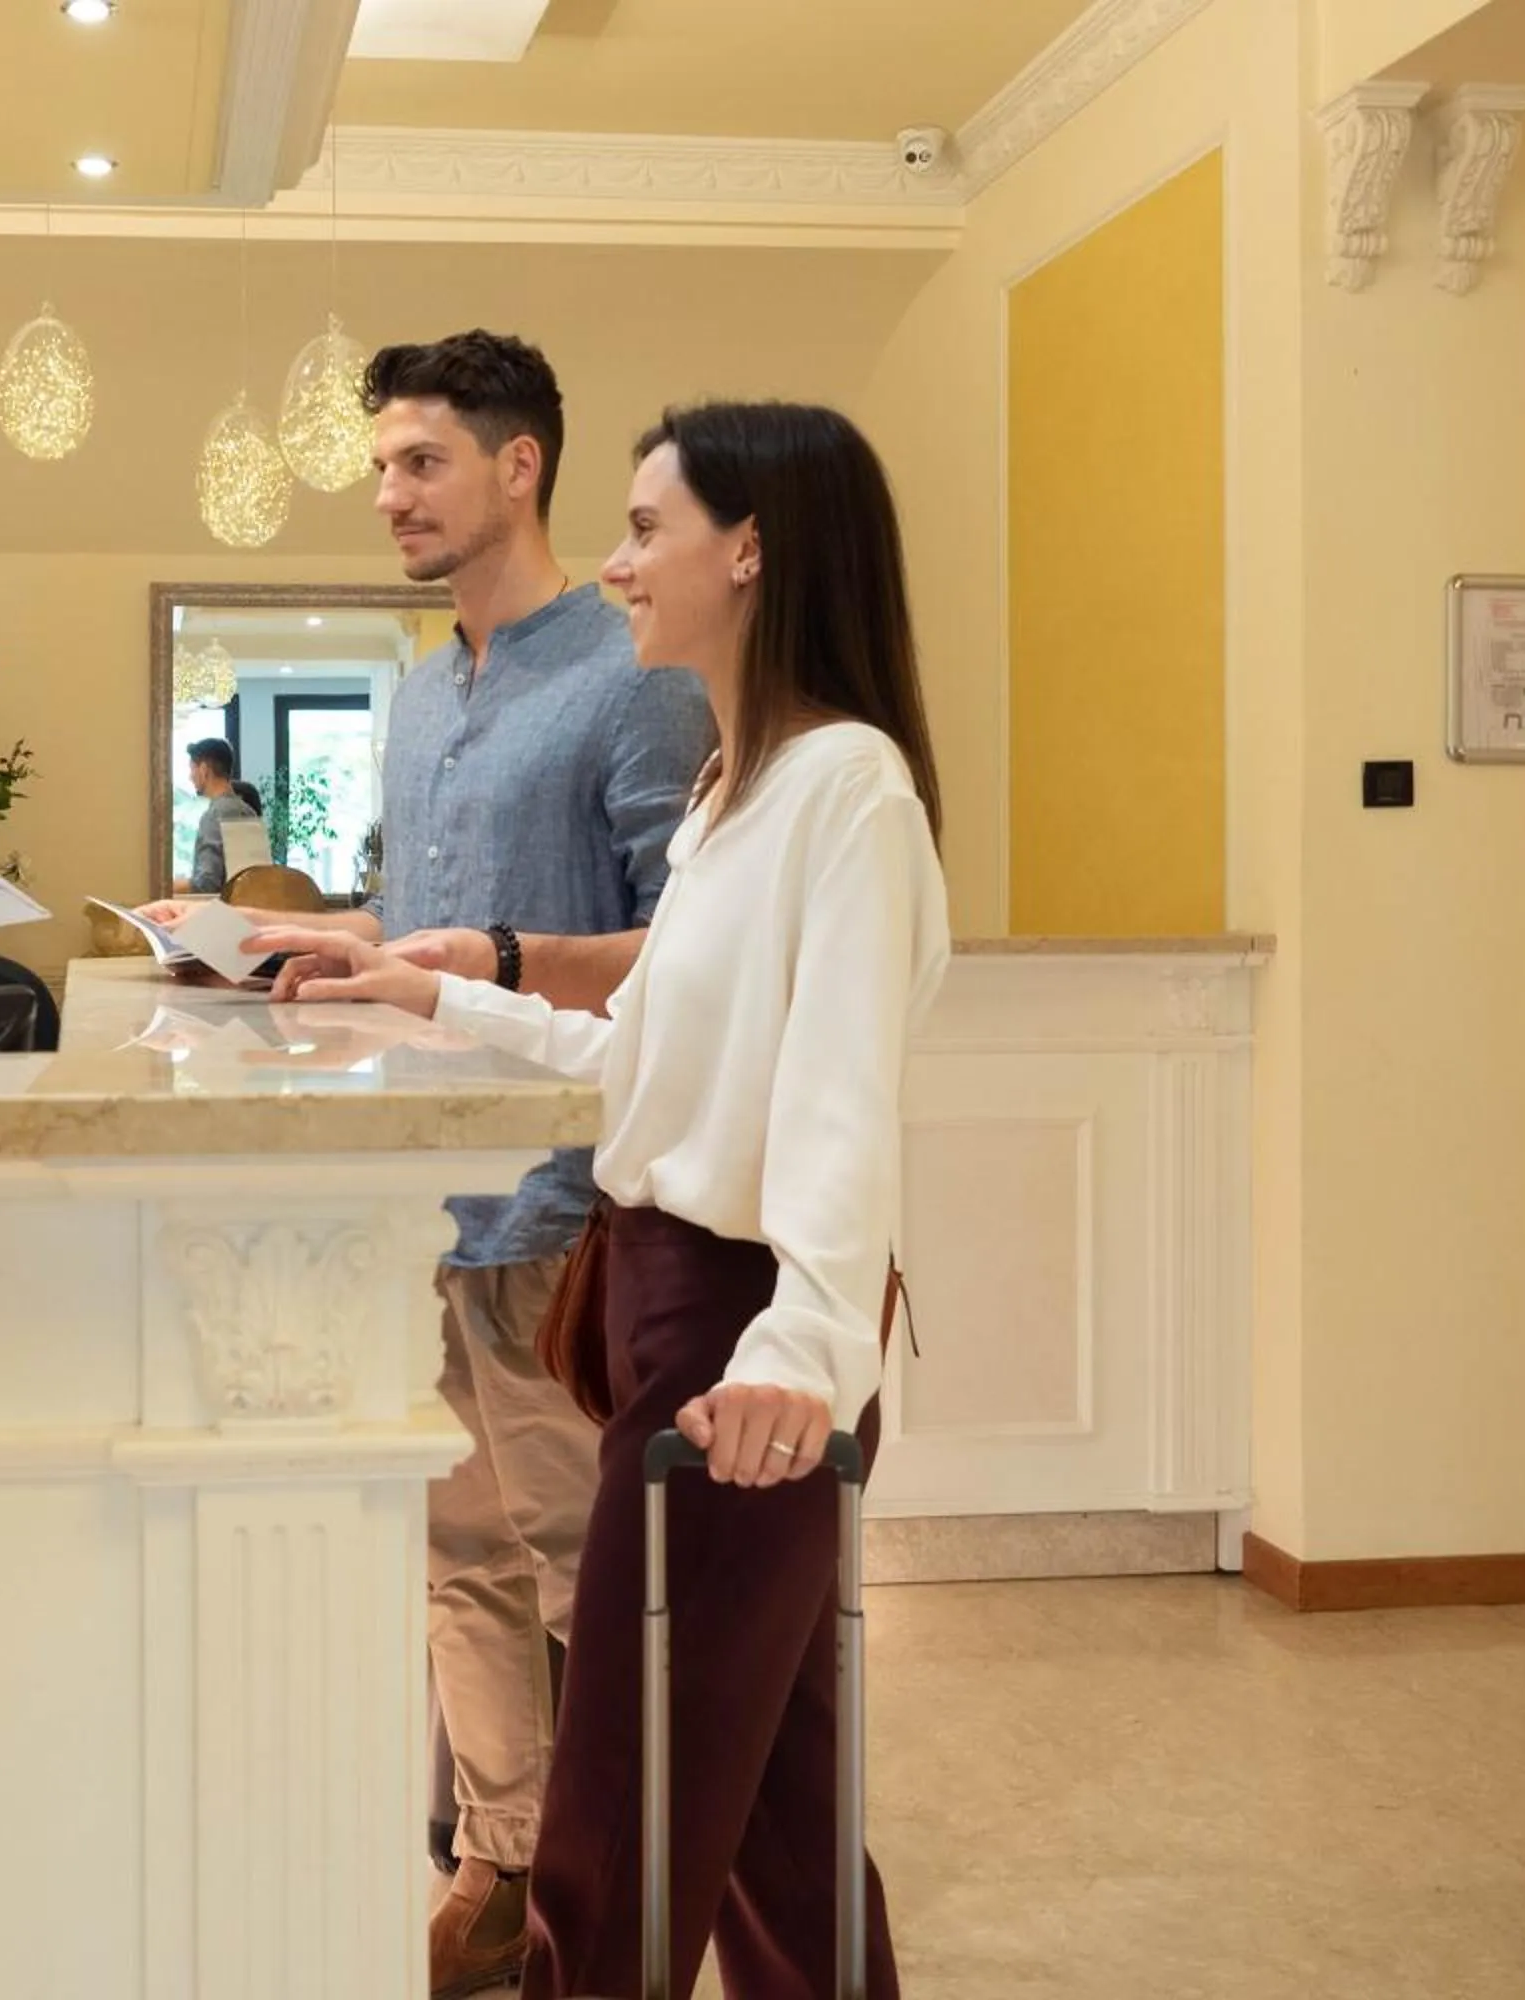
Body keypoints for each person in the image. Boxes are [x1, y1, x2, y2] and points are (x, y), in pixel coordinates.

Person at [251, 400, 948, 1999]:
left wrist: (804, 1350)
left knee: (622, 1814)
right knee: (775, 1813)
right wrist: (433, 998)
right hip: (662, 1297)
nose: (621, 565)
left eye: (648, 529)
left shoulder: (849, 791)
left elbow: (843, 1102)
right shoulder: (733, 789)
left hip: (738, 1335)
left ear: (750, 548)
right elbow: (637, 1056)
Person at [165, 330, 710, 1999]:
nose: (389, 495)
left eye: (421, 463)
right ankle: (504, 1863)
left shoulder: (632, 675)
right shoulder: (417, 694)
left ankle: (635, 1899)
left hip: (567, 1205)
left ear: (519, 465)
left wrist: (490, 956)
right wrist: (301, 942)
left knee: (591, 1580)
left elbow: (687, 948)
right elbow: (421, 925)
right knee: (459, 1562)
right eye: (383, 466)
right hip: (421, 1201)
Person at [184, 737, 266, 892]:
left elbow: (206, 884)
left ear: (203, 770)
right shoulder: (250, 812)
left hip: (220, 912)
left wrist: (165, 886)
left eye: (192, 769)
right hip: (249, 908)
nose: (190, 776)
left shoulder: (214, 816)